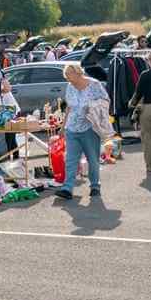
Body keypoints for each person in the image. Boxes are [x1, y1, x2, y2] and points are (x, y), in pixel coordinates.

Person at [56, 63, 110, 200]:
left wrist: (92, 107)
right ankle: (67, 188)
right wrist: (63, 126)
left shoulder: (94, 84)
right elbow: (69, 107)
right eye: (66, 75)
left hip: (90, 127)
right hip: (72, 128)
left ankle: (95, 186)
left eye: (69, 74)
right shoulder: (70, 86)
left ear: (78, 73)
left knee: (93, 159)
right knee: (71, 160)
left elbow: (106, 101)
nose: (67, 78)